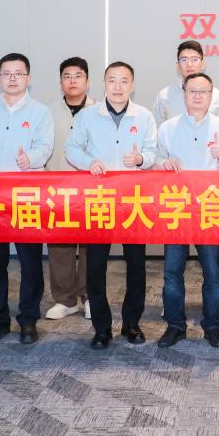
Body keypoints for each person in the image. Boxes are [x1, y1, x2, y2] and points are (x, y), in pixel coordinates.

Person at [66, 61, 157, 349]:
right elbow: (71, 149)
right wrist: (88, 162)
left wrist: (141, 159)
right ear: (104, 84)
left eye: (124, 81)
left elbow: (153, 152)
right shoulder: (87, 116)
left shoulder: (144, 116)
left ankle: (132, 323)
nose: (118, 87)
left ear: (132, 85)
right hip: (99, 200)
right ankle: (101, 327)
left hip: (133, 200)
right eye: (112, 81)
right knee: (95, 266)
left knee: (136, 265)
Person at [0, 52, 54, 345]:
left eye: (18, 73)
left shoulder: (40, 112)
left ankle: (28, 319)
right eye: (7, 73)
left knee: (30, 263)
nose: (12, 78)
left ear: (28, 78)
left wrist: (30, 158)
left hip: (27, 197)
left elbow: (45, 146)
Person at [155, 72, 219, 349]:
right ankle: (175, 326)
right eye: (192, 91)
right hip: (177, 208)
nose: (197, 96)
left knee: (213, 274)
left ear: (211, 96)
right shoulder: (167, 128)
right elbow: (154, 161)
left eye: (203, 91)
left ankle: (212, 327)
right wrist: (163, 163)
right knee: (172, 273)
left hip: (210, 209)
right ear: (184, 94)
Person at [44, 57, 95, 321]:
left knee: (90, 246)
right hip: (58, 187)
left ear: (87, 81)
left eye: (78, 76)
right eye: (67, 76)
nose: (72, 81)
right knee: (59, 245)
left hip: (91, 189)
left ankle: (89, 297)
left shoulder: (99, 111)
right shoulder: (48, 112)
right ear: (60, 81)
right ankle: (64, 299)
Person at [152, 40, 219, 124]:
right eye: (184, 60)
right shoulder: (164, 96)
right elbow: (157, 128)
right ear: (177, 65)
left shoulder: (217, 96)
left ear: (202, 64)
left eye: (195, 59)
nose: (189, 64)